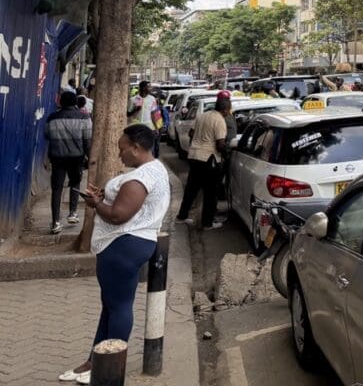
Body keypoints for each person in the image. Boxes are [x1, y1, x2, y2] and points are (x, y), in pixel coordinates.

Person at [59, 124, 170, 385]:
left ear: (136, 148)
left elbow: (119, 215)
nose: (119, 155)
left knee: (118, 307)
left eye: (122, 149)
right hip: (130, 244)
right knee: (111, 306)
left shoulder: (140, 178)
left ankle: (108, 370)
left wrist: (97, 204)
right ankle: (95, 360)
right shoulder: (154, 170)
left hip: (122, 245)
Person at [176, 92, 230, 229]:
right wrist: (226, 156)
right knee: (210, 193)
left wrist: (197, 143)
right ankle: (207, 223)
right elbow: (220, 144)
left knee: (191, 189)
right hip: (208, 159)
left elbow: (191, 133)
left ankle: (182, 216)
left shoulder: (202, 115)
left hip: (194, 156)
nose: (228, 113)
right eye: (228, 110)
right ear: (224, 109)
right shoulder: (219, 120)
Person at [44, 90, 93, 234]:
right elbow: (87, 140)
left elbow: (47, 135)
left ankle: (55, 222)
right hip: (76, 157)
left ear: (60, 102)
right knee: (75, 183)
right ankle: (72, 213)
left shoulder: (52, 118)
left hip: (57, 158)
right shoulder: (84, 118)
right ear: (75, 103)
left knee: (57, 189)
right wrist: (89, 158)